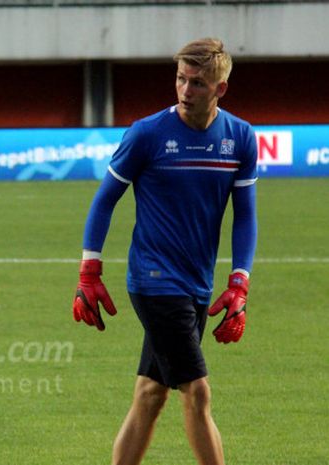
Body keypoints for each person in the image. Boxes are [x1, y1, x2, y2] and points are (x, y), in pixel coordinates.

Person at [72, 38, 257, 465]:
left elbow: (245, 216)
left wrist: (240, 281)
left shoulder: (241, 139)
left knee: (151, 393)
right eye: (180, 79)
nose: (185, 90)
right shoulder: (147, 134)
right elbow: (104, 200)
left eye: (196, 83)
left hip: (196, 282)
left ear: (220, 89)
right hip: (154, 281)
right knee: (197, 391)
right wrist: (89, 271)